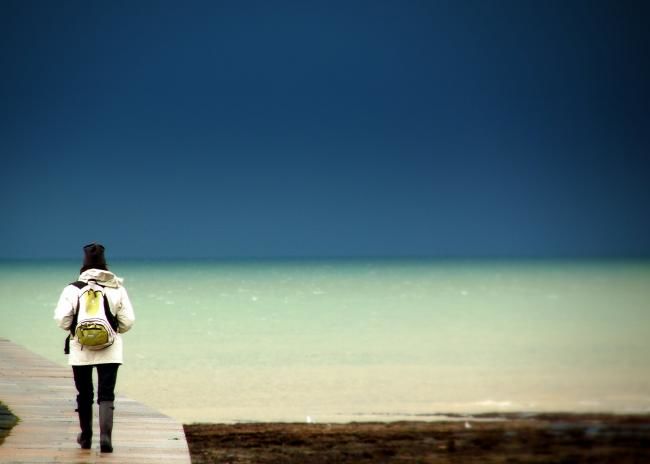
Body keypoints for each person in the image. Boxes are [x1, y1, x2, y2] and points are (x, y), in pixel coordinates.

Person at [54, 243, 135, 453]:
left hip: (80, 351)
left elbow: (62, 321)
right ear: (105, 266)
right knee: (106, 393)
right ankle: (106, 438)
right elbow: (127, 322)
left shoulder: (71, 289)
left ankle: (86, 437)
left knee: (84, 393)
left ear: (84, 266)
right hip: (110, 350)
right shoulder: (118, 288)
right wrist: (111, 329)